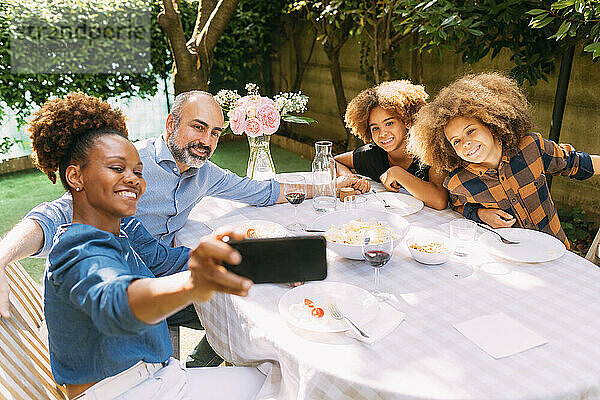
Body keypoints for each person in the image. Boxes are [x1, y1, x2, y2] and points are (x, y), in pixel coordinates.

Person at [0, 90, 368, 366]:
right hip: (134, 301)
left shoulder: (203, 174)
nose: (207, 141)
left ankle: (196, 368)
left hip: (151, 268)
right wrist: (3, 256)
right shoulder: (114, 178)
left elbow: (262, 191)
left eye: (216, 133)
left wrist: (330, 187)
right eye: (198, 127)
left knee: (241, 304)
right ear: (171, 125)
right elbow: (56, 215)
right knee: (248, 311)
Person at [28, 94, 265, 399]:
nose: (133, 180)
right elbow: (118, 302)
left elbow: (164, 260)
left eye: (138, 171)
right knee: (278, 382)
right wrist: (194, 283)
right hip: (123, 391)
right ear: (76, 176)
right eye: (116, 168)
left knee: (270, 373)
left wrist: (250, 259)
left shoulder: (123, 228)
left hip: (157, 376)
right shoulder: (78, 250)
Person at [407, 72, 600, 248]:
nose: (466, 143)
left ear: (491, 124)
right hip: (508, 256)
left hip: (555, 249)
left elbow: (577, 163)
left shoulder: (532, 147)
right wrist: (481, 214)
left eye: (471, 131)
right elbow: (459, 205)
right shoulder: (458, 182)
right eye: (456, 141)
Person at [334, 80, 448, 210]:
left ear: (407, 121)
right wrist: (349, 178)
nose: (382, 134)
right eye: (375, 128)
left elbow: (440, 201)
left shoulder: (428, 152)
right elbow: (334, 162)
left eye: (389, 123)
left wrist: (397, 173)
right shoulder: (373, 155)